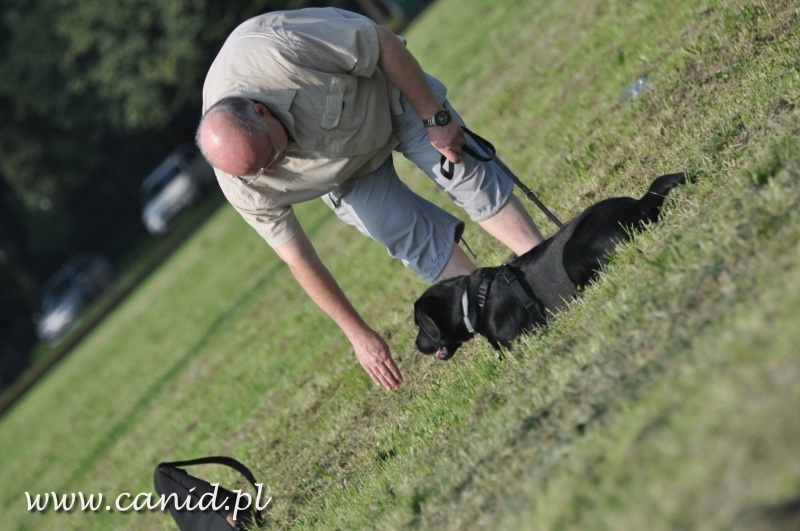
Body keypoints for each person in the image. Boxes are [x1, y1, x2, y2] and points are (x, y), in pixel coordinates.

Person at [196, 7, 544, 390]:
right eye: (260, 171)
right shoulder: (241, 179)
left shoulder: (279, 48)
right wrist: (357, 334)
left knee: (464, 174)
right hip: (344, 175)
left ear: (261, 112)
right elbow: (298, 257)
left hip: (391, 101)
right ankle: (497, 307)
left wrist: (435, 119)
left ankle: (544, 268)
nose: (272, 169)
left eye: (271, 156)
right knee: (401, 233)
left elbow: (381, 42)